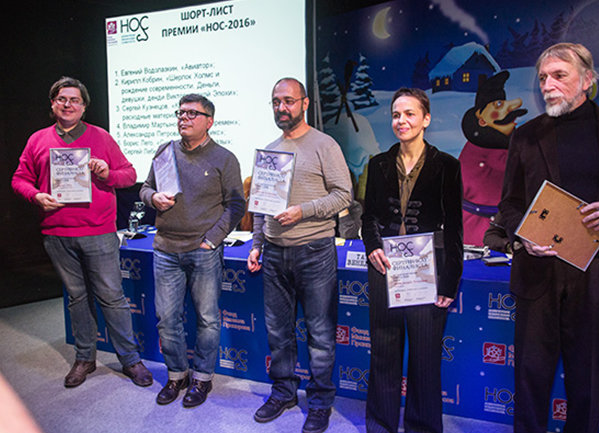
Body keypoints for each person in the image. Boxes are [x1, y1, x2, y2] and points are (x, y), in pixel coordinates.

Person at [498, 43, 599, 433]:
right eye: (543, 78)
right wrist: (524, 236)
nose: (548, 84)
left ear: (587, 80)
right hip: (537, 271)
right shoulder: (526, 137)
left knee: (587, 379)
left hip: (598, 274)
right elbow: (509, 205)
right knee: (530, 376)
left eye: (559, 75)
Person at [11, 76, 152, 388]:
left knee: (112, 297)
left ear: (84, 106)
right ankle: (85, 357)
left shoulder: (101, 137)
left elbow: (129, 175)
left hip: (98, 231)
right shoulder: (38, 140)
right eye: (61, 99)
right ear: (52, 104)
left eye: (74, 100)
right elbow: (19, 179)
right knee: (77, 298)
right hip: (57, 234)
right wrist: (35, 195)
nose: (68, 104)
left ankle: (130, 359)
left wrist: (107, 172)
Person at [247, 78, 351, 433]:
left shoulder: (325, 145)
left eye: (288, 100)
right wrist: (257, 243)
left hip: (314, 251)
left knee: (320, 334)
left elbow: (344, 195)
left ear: (304, 103)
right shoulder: (270, 150)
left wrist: (302, 211)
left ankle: (319, 402)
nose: (281, 107)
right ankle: (283, 392)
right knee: (278, 331)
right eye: (276, 101)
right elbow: (260, 204)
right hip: (275, 254)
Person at [361, 87, 463, 433]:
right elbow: (368, 217)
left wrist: (450, 281)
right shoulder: (377, 164)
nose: (401, 121)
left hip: (428, 270)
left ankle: (422, 427)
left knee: (424, 357)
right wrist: (372, 245)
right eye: (395, 115)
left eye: (409, 114)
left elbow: (455, 227)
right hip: (385, 268)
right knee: (384, 349)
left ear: (426, 119)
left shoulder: (447, 165)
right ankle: (380, 425)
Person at [140, 94, 245, 408]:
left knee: (207, 319)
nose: (183, 118)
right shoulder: (165, 151)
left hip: (203, 251)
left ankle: (202, 378)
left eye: (191, 114)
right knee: (166, 319)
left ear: (209, 121)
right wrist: (152, 198)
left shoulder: (224, 158)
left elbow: (236, 205)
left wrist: (212, 239)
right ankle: (177, 375)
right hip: (165, 249)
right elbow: (145, 188)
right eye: (180, 113)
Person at [459, 70, 527, 246]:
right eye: (497, 105)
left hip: (499, 224)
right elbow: (518, 166)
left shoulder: (499, 143)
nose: (507, 110)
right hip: (478, 227)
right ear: (481, 119)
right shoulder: (485, 147)